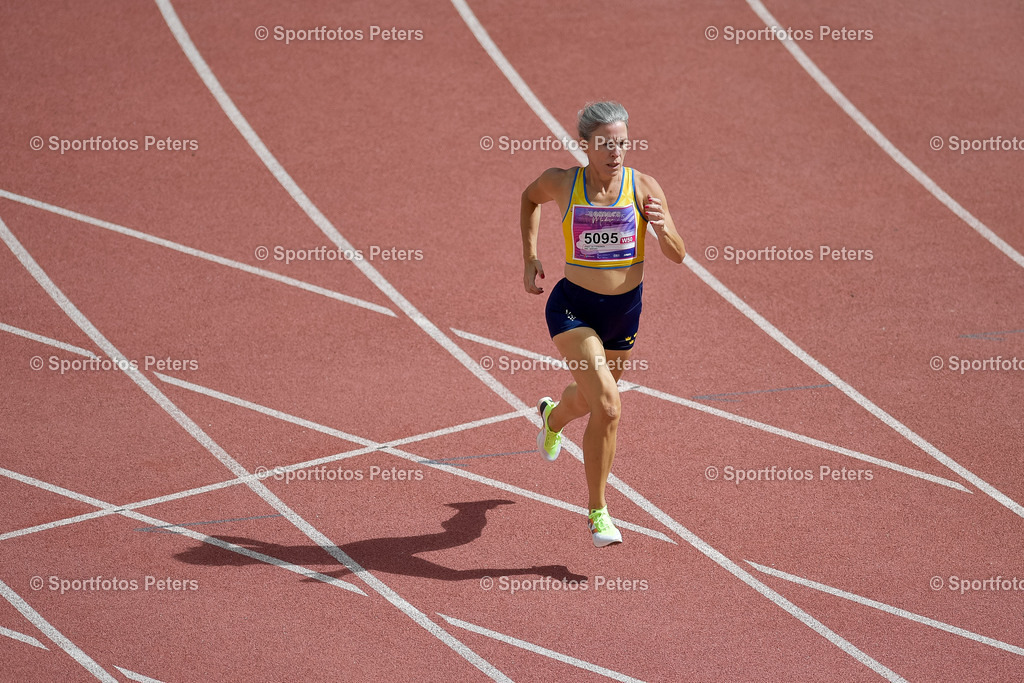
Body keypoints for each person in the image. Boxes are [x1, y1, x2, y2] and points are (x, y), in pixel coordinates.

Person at [520, 101, 685, 547]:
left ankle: (552, 419)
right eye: (606, 144)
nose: (615, 152)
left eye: (622, 143)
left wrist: (663, 228)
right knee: (609, 407)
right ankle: (598, 513)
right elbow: (529, 198)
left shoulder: (643, 187)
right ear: (585, 145)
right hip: (572, 310)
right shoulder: (563, 182)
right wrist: (530, 255)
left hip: (623, 314)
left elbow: (678, 254)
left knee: (588, 401)